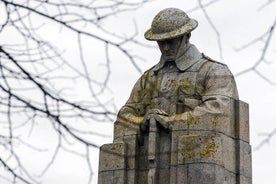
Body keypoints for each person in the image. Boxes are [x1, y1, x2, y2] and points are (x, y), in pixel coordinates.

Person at [113, 8, 238, 142]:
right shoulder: (147, 78)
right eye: (161, 42)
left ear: (187, 36)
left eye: (171, 41)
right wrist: (142, 122)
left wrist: (171, 122)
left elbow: (219, 113)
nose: (165, 48)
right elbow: (124, 117)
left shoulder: (214, 71)